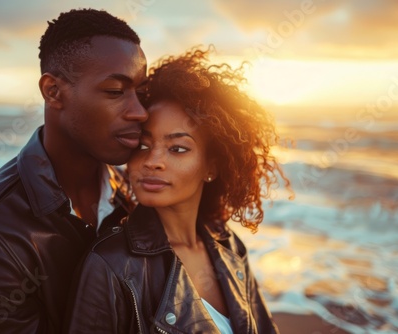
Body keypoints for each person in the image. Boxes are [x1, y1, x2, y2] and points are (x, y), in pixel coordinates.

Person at [0, 8, 148, 333]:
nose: (139, 112)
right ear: (53, 92)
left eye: (141, 92)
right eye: (114, 91)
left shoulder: (137, 192)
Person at [63, 47, 290, 333]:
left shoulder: (228, 245)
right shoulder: (110, 265)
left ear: (212, 167)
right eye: (143, 146)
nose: (153, 162)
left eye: (178, 148)